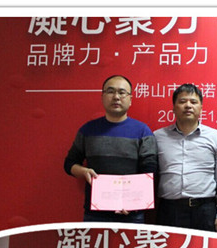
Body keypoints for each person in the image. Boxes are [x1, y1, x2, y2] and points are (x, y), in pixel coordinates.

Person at [64, 74, 157, 222]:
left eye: (122, 92)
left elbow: (149, 171)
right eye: (110, 91)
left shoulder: (143, 131)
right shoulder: (88, 130)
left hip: (131, 214)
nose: (116, 97)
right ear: (102, 97)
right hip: (95, 214)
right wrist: (83, 171)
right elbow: (69, 164)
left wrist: (134, 202)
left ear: (130, 99)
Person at [154, 83, 217, 232]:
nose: (188, 106)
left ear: (201, 108)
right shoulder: (157, 137)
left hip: (205, 210)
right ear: (174, 107)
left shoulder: (215, 137)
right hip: (169, 210)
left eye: (193, 102)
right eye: (182, 101)